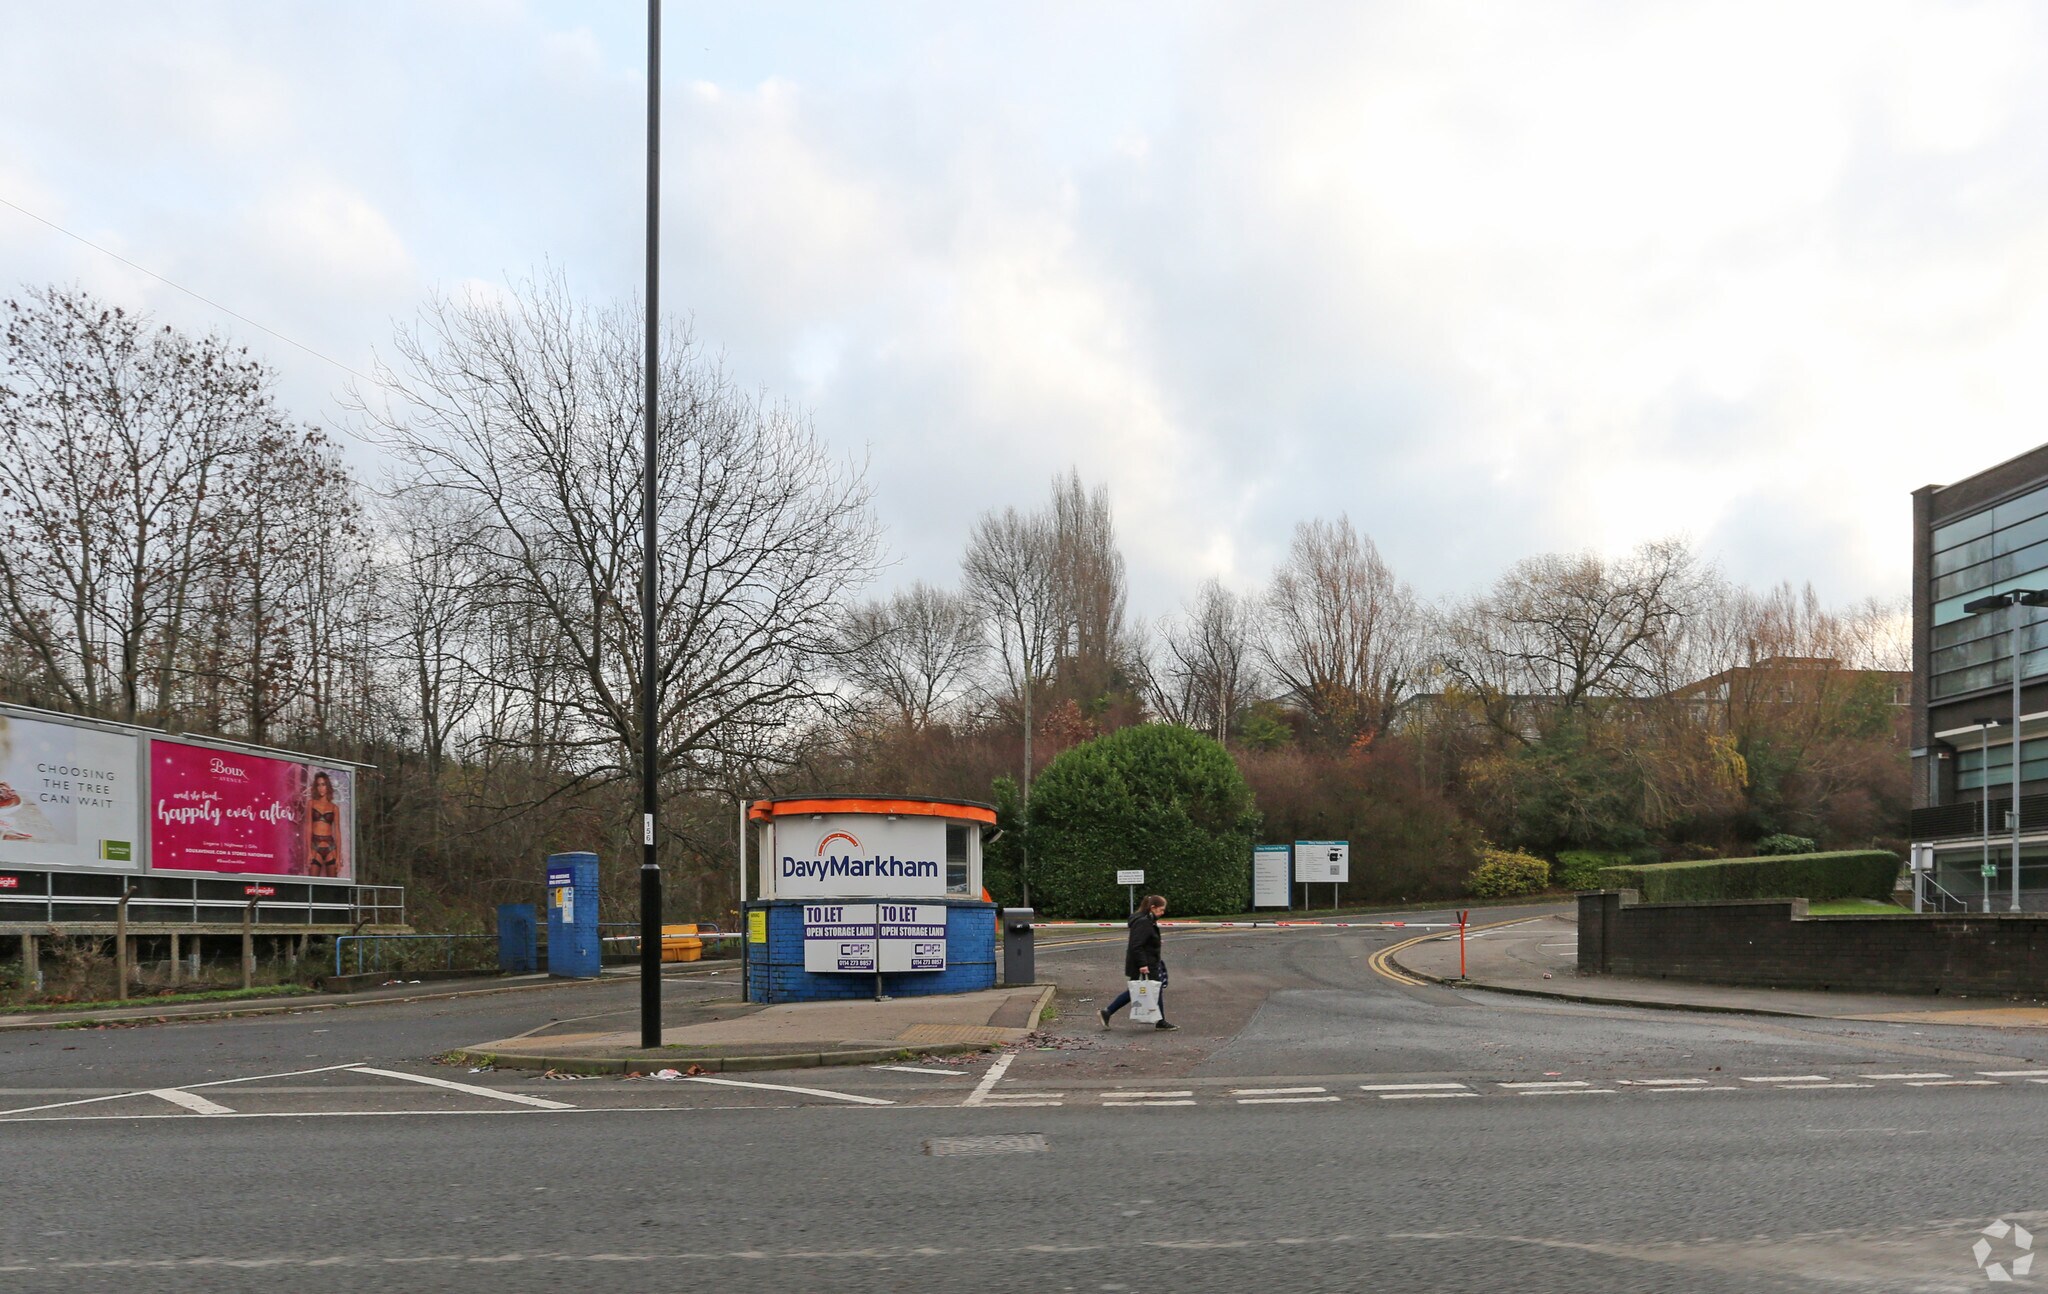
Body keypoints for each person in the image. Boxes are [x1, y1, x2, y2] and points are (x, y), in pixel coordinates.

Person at [1099, 894, 1177, 1031]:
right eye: (1161, 909)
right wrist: (1143, 965)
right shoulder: (1144, 921)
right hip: (1145, 962)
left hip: (1146, 960)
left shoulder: (1146, 919)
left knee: (1142, 989)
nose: (1163, 913)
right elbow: (1137, 945)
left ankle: (1108, 1012)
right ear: (1153, 907)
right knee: (1150, 989)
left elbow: (1143, 940)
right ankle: (1160, 1021)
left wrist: (1155, 942)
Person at [304, 772, 342, 878]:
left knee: (333, 886)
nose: (321, 788)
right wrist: (308, 852)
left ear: (327, 786)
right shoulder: (311, 803)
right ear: (316, 787)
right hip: (315, 845)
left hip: (330, 846)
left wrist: (338, 857)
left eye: (323, 784)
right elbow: (308, 828)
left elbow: (337, 832)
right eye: (318, 785)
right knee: (312, 884)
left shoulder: (334, 808)